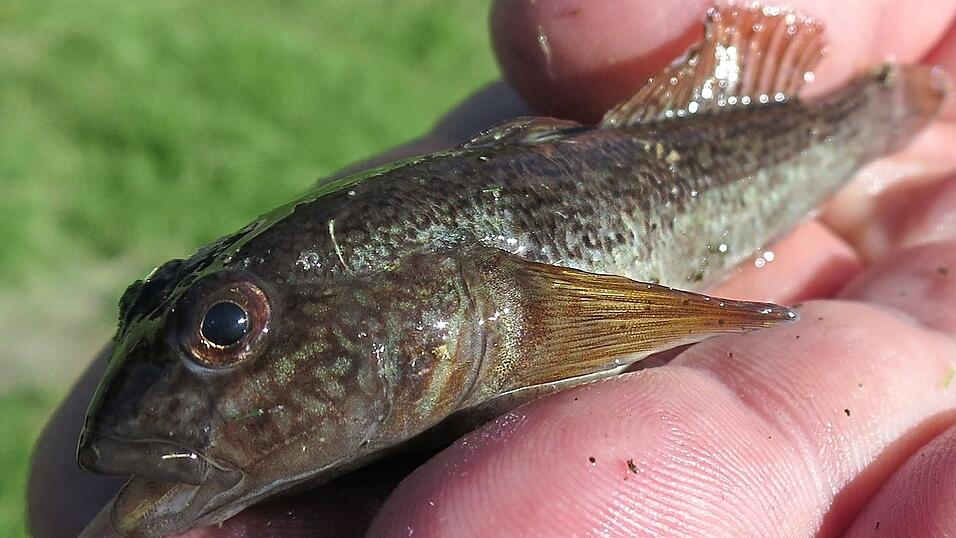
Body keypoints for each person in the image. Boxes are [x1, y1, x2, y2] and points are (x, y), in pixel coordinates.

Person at [29, 0, 956, 536]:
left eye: (225, 329)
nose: (217, 343)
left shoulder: (493, 308)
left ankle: (917, 102)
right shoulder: (434, 305)